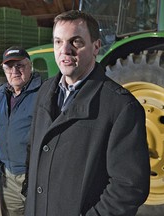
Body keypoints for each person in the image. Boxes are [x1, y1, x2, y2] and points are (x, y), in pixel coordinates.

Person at [24, 10, 150, 216]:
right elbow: (34, 147)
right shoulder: (44, 91)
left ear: (96, 47)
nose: (64, 50)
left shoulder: (121, 107)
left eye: (76, 42)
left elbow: (129, 186)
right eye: (58, 42)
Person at [0, 46, 42, 216]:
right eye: (9, 67)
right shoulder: (1, 95)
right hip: (8, 176)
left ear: (30, 67)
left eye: (20, 66)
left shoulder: (43, 94)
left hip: (34, 177)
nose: (14, 71)